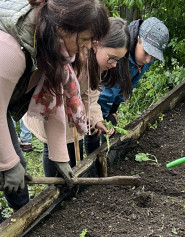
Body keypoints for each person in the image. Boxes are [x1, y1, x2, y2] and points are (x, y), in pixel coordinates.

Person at [0, 0, 109, 212]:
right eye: (85, 39)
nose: (88, 46)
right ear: (62, 28)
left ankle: (24, 219)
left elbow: (54, 102)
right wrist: (8, 164)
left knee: (17, 166)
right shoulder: (11, 51)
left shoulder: (52, 49)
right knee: (10, 167)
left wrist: (60, 157)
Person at [23, 17, 131, 177]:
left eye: (118, 60)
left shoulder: (98, 63)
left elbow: (91, 93)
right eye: (112, 58)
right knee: (55, 149)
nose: (114, 64)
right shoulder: (74, 60)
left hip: (71, 113)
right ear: (97, 44)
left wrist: (96, 118)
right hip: (50, 110)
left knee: (73, 152)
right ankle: (55, 193)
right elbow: (55, 104)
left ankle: (71, 187)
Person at [85, 17, 170, 152]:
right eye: (147, 53)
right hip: (95, 95)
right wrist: (101, 115)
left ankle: (104, 156)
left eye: (153, 56)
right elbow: (109, 90)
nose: (148, 59)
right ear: (138, 40)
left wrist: (113, 109)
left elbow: (130, 84)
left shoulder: (146, 59)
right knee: (94, 130)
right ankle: (91, 162)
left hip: (106, 97)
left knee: (109, 125)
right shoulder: (119, 54)